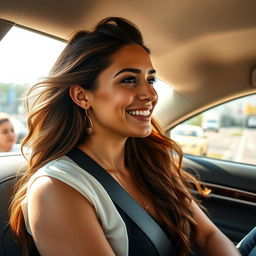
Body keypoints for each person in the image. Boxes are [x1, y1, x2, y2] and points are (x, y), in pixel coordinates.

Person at [9, 17, 240, 256]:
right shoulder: (56, 189)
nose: (150, 93)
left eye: (150, 79)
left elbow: (208, 234)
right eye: (129, 80)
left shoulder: (150, 162)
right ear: (82, 96)